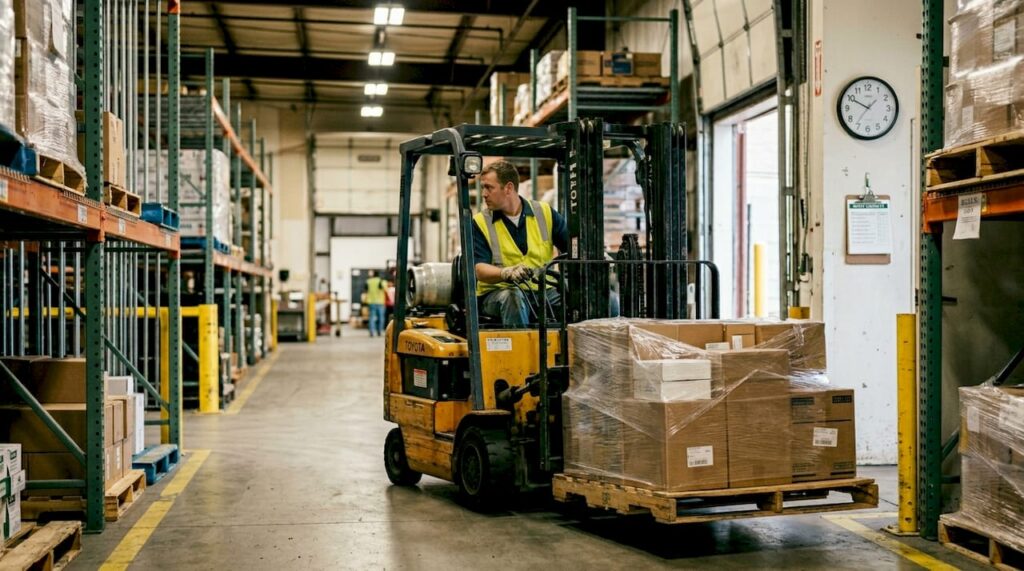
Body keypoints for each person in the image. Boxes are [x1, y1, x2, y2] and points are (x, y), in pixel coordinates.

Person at [472, 161, 568, 327]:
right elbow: (479, 269)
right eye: (483, 188)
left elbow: (572, 246)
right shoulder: (481, 222)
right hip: (497, 293)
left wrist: (595, 255)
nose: (484, 194)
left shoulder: (544, 212)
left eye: (489, 188)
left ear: (508, 188)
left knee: (580, 297)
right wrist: (506, 273)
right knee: (513, 297)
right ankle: (521, 344)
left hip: (541, 290)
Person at [364, 270, 387, 337]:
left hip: (371, 302)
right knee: (381, 318)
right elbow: (385, 290)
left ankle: (371, 332)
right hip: (380, 302)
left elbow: (366, 290)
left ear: (373, 274)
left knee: (372, 317)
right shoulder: (382, 281)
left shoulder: (368, 281)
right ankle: (379, 332)